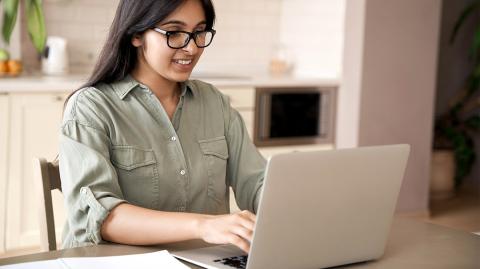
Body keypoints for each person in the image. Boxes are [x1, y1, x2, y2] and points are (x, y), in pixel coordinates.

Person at [59, 0, 266, 253]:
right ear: (136, 34)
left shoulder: (215, 103)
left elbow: (257, 183)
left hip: (201, 261)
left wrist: (289, 203)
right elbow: (100, 216)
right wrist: (204, 226)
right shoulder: (91, 107)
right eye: (174, 33)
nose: (191, 47)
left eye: (199, 32)